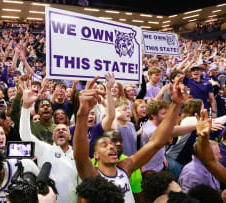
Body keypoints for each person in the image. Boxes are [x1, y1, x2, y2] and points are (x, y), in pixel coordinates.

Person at [73, 75, 190, 203]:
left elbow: (156, 143)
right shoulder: (92, 175)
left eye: (112, 144)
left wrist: (176, 105)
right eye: (104, 145)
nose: (112, 146)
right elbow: (81, 157)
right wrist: (82, 115)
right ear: (96, 155)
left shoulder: (125, 168)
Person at [20, 79, 79, 203]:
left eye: (64, 130)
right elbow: (25, 136)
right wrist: (25, 107)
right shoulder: (45, 149)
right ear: (53, 137)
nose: (61, 131)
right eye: (57, 130)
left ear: (70, 137)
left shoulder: (78, 155)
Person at [90, 130, 143, 202]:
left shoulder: (129, 165)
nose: (118, 144)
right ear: (96, 154)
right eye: (114, 141)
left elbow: (138, 195)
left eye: (120, 141)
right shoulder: (91, 167)